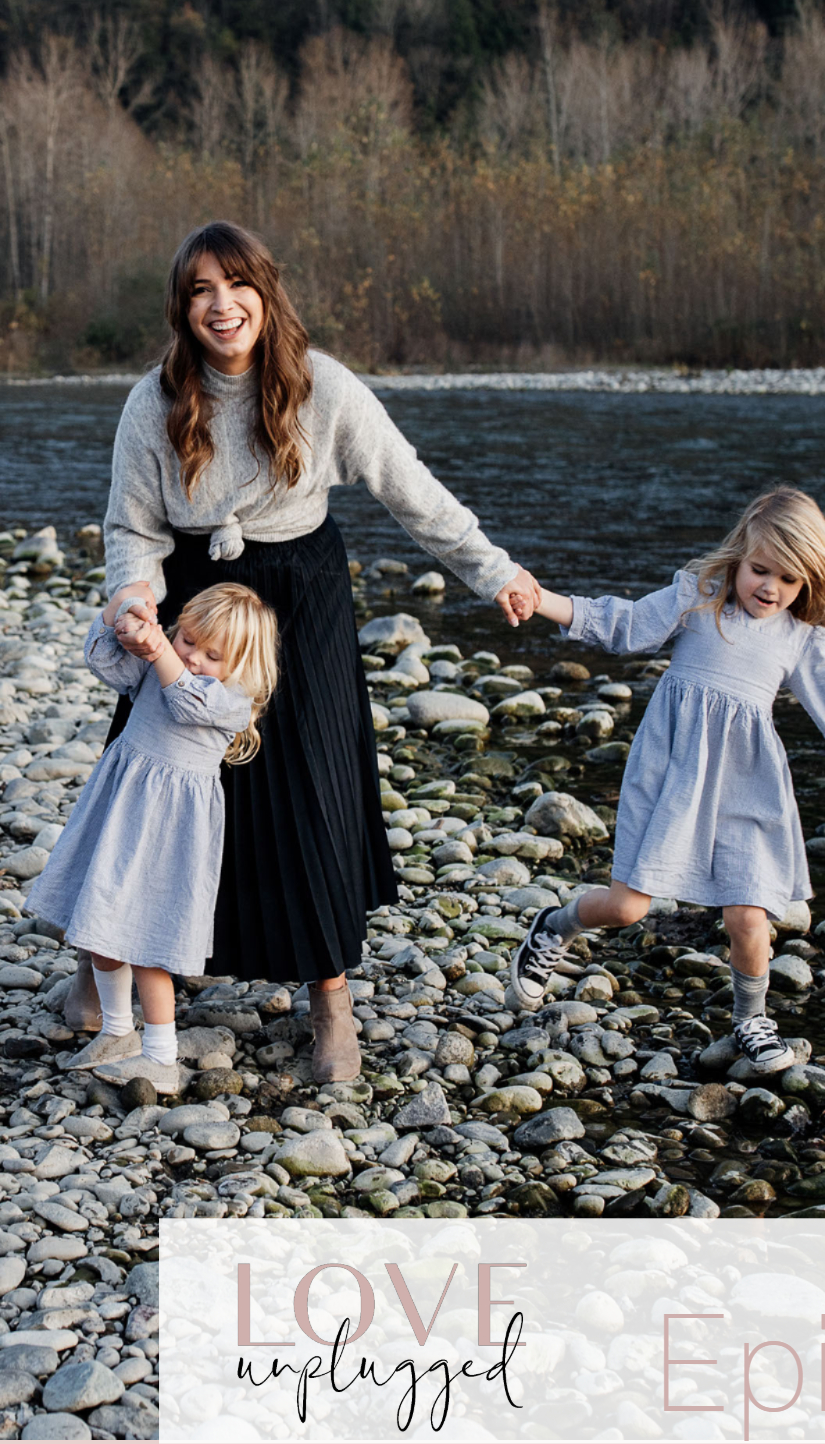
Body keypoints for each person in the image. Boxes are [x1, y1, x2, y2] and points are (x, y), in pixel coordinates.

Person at [96, 220, 542, 1083]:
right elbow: (132, 526)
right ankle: (118, 962)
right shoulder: (155, 400)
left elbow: (410, 490)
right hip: (194, 607)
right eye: (200, 290)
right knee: (157, 785)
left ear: (266, 292)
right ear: (182, 307)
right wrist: (133, 598)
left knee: (307, 791)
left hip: (300, 602)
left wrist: (495, 571)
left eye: (237, 285)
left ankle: (330, 995)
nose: (221, 305)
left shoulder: (321, 385)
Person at [505, 488, 825, 1072]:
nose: (770, 588)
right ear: (739, 556)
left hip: (749, 787)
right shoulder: (698, 599)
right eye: (760, 570)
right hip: (671, 775)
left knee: (748, 915)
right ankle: (553, 928)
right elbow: (623, 623)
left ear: (808, 581)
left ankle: (752, 1019)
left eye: (789, 579)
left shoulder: (800, 639)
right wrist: (542, 600)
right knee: (627, 908)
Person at [26, 585, 279, 1096]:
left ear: (241, 665)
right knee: (100, 925)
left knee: (146, 944)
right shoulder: (157, 665)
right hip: (120, 812)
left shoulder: (229, 699)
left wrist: (163, 651)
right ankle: (118, 1031)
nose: (193, 657)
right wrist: (121, 612)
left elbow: (186, 700)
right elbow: (104, 663)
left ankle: (161, 1056)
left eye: (213, 655)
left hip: (169, 830)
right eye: (187, 640)